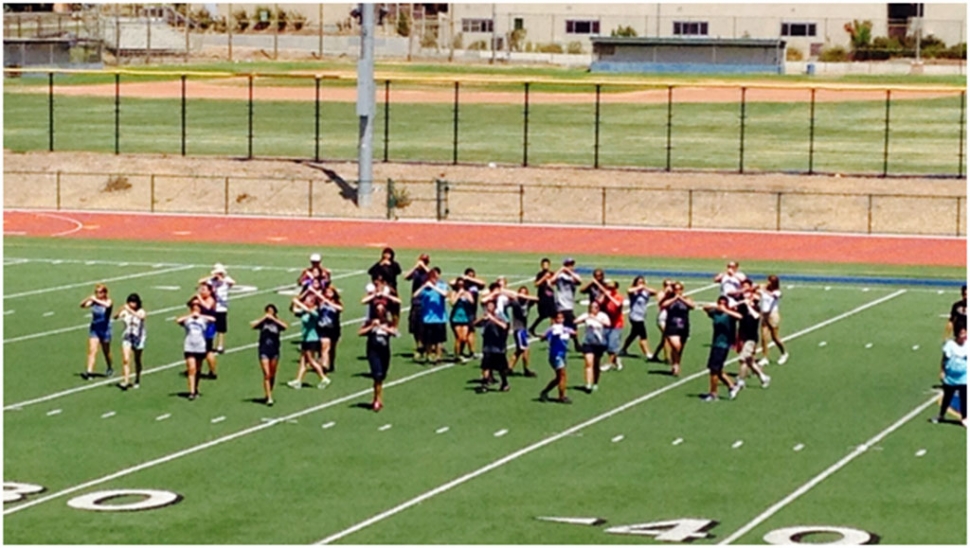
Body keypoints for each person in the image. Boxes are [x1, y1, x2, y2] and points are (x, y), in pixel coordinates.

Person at [701, 296, 744, 402]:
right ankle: (731, 386)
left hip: (723, 345)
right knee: (716, 369)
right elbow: (705, 308)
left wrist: (726, 310)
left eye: (724, 303)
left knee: (714, 370)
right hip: (715, 344)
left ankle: (713, 393)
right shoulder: (716, 314)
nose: (722, 305)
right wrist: (716, 306)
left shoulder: (729, 316)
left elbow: (740, 316)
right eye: (720, 302)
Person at [359, 303, 398, 412]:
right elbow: (360, 332)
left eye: (382, 310)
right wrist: (372, 326)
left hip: (384, 351)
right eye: (378, 310)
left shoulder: (388, 323)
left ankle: (378, 397)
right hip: (373, 351)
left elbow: (396, 333)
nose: (380, 312)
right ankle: (376, 399)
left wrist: (382, 327)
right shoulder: (370, 322)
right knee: (377, 376)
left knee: (383, 375)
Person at [287, 294, 331, 390]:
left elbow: (308, 310)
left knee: (311, 361)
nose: (305, 302)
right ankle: (298, 381)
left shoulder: (314, 312)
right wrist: (295, 301)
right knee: (303, 362)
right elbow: (294, 310)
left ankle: (323, 378)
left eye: (308, 300)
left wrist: (298, 302)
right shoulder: (304, 312)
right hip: (305, 339)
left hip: (312, 339)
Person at [175, 301, 214, 401]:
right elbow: (178, 320)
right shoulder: (188, 320)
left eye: (197, 308)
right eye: (193, 308)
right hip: (189, 346)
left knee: (198, 370)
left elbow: (213, 319)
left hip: (200, 346)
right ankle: (191, 392)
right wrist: (190, 315)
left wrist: (200, 315)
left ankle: (196, 388)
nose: (195, 310)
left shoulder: (203, 319)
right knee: (191, 369)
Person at [251, 304, 287, 406]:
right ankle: (269, 397)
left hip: (274, 350)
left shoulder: (277, 323)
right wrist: (264, 318)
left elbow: (285, 326)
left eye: (271, 311)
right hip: (264, 350)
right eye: (268, 311)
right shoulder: (263, 323)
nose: (269, 313)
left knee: (272, 374)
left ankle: (269, 392)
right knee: (266, 374)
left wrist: (274, 319)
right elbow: (253, 325)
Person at [932, 327, 967, 427]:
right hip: (951, 377)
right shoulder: (950, 345)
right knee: (947, 397)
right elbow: (944, 358)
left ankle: (964, 417)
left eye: (965, 333)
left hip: (964, 377)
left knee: (964, 398)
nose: (964, 336)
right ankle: (941, 415)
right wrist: (942, 371)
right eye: (962, 334)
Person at [736, 286, 770, 388]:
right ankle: (763, 377)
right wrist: (742, 302)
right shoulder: (743, 307)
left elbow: (756, 316)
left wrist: (748, 305)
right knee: (749, 361)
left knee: (743, 359)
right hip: (744, 336)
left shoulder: (755, 308)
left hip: (751, 338)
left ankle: (741, 380)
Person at [474, 300, 511, 393]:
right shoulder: (485, 318)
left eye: (491, 306)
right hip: (487, 346)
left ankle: (504, 383)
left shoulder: (500, 316)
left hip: (498, 347)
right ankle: (484, 384)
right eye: (488, 306)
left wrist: (493, 319)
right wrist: (482, 318)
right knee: (486, 366)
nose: (489, 308)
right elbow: (474, 324)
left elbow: (504, 326)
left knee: (501, 368)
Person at [414, 266, 449, 365]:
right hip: (427, 318)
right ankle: (428, 355)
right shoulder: (425, 288)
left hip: (439, 318)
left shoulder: (441, 285)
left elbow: (445, 294)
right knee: (428, 340)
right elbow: (415, 295)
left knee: (439, 340)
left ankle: (438, 356)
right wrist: (424, 286)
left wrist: (434, 287)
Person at [660, 281, 694, 377]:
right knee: (676, 346)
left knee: (680, 349)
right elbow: (663, 305)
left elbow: (692, 306)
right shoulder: (669, 299)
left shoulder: (687, 298)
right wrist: (675, 298)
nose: (678, 291)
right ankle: (675, 364)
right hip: (672, 325)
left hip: (683, 325)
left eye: (680, 289)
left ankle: (676, 364)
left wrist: (681, 299)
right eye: (676, 289)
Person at [575, 300, 611, 393]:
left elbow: (608, 324)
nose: (593, 309)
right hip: (588, 342)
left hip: (599, 343)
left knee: (596, 364)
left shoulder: (602, 315)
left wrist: (596, 319)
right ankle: (588, 384)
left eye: (595, 307)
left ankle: (595, 382)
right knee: (588, 363)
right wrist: (583, 319)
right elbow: (575, 322)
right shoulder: (586, 315)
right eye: (591, 307)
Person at [539, 312, 575, 404]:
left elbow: (574, 333)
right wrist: (548, 335)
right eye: (558, 318)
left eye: (561, 318)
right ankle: (562, 396)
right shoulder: (552, 329)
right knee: (563, 375)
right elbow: (544, 336)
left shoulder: (565, 329)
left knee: (559, 378)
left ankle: (544, 392)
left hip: (563, 354)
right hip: (555, 355)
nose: (560, 320)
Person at [80, 284, 114, 380]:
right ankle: (89, 371)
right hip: (95, 328)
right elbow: (82, 305)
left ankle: (110, 366)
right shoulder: (94, 302)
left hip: (105, 329)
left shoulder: (108, 301)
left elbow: (107, 305)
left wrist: (95, 300)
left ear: (104, 293)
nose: (97, 294)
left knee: (106, 351)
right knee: (92, 350)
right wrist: (88, 298)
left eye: (99, 292)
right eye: (96, 292)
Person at [620, 276, 658, 360]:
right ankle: (647, 353)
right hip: (635, 316)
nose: (641, 284)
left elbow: (655, 292)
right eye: (639, 282)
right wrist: (638, 288)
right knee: (643, 335)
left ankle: (623, 349)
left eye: (642, 282)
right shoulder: (634, 292)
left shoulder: (645, 292)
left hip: (642, 316)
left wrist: (645, 288)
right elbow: (629, 290)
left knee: (633, 334)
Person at [201, 263, 236, 354]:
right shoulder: (211, 281)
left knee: (221, 328)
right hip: (212, 306)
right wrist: (211, 277)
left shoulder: (226, 280)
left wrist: (222, 279)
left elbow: (233, 283)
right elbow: (201, 281)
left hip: (222, 307)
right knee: (210, 326)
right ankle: (208, 344)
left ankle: (220, 345)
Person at [114, 293, 146, 390]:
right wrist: (121, 310)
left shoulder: (141, 311)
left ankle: (137, 379)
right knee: (126, 359)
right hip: (127, 336)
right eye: (130, 302)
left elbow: (142, 317)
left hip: (138, 337)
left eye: (134, 302)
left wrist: (130, 310)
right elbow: (115, 317)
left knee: (137, 359)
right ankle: (126, 381)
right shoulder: (126, 311)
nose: (132, 304)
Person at [404, 253, 432, 360]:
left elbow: (432, 276)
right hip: (415, 302)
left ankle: (426, 347)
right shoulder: (416, 271)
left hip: (426, 302)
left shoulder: (428, 272)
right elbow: (406, 277)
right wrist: (415, 267)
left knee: (425, 326)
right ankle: (419, 346)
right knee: (414, 325)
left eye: (425, 261)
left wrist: (424, 267)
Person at [189, 283, 219, 380]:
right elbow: (189, 304)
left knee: (208, 350)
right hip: (200, 326)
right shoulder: (199, 299)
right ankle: (199, 369)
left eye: (204, 290)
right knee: (200, 349)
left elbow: (207, 307)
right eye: (201, 289)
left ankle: (213, 371)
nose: (201, 291)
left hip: (209, 327)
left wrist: (199, 299)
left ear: (210, 291)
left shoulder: (210, 299)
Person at [758, 275, 789, 366]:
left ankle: (784, 353)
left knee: (774, 337)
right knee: (764, 337)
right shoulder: (764, 288)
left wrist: (763, 290)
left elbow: (775, 296)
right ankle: (765, 357)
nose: (768, 282)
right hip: (764, 315)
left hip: (773, 315)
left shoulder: (777, 292)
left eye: (770, 281)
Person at [508, 286, 539, 377]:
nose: (523, 295)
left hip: (523, 329)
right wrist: (517, 295)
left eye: (525, 292)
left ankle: (509, 368)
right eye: (521, 292)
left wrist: (526, 297)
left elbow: (537, 299)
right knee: (525, 349)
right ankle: (526, 369)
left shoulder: (528, 302)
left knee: (519, 350)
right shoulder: (515, 302)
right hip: (518, 329)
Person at [368, 247, 403, 325]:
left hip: (392, 289)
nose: (387, 255)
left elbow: (398, 271)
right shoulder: (380, 264)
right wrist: (380, 264)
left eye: (389, 254)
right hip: (382, 289)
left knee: (395, 308)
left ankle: (395, 325)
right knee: (382, 306)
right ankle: (382, 321)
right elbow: (370, 271)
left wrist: (390, 265)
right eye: (385, 253)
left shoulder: (394, 264)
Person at [554, 258, 583, 351]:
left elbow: (579, 281)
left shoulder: (573, 276)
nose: (570, 267)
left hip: (569, 305)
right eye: (568, 265)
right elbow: (551, 280)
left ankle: (572, 343)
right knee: (570, 325)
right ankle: (576, 344)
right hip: (562, 305)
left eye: (571, 265)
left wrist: (570, 272)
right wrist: (560, 270)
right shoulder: (560, 276)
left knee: (567, 326)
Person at [316, 285, 343, 374]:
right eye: (327, 292)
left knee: (332, 348)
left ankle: (331, 363)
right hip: (323, 328)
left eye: (330, 292)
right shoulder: (320, 302)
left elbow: (340, 309)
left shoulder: (337, 303)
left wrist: (329, 302)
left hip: (334, 328)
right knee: (325, 347)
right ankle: (324, 366)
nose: (328, 294)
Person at [599, 280, 625, 372]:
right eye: (607, 287)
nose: (609, 289)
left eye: (611, 288)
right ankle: (616, 359)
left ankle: (609, 363)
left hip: (616, 324)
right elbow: (599, 303)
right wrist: (604, 294)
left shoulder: (618, 297)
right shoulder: (604, 297)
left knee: (612, 344)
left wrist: (610, 296)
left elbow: (618, 305)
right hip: (606, 324)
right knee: (604, 345)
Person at [449, 277, 476, 362]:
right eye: (459, 284)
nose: (461, 286)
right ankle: (457, 355)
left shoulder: (467, 292)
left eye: (462, 284)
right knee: (459, 337)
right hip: (456, 317)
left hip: (465, 317)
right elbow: (452, 303)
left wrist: (466, 294)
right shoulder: (454, 292)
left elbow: (472, 302)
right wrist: (458, 295)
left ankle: (460, 352)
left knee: (464, 338)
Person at [528, 258, 557, 336]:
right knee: (543, 315)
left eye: (547, 264)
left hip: (550, 297)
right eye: (544, 265)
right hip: (542, 297)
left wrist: (550, 280)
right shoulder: (540, 274)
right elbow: (536, 284)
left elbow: (554, 283)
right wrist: (544, 278)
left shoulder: (552, 273)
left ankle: (552, 331)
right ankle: (532, 328)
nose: (545, 266)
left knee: (553, 314)